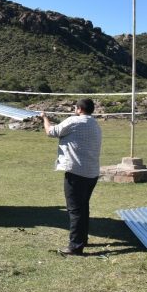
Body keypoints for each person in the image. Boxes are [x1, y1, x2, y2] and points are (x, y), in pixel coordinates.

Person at [41, 98, 102, 256]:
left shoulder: (74, 121)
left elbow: (51, 132)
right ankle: (82, 239)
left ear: (79, 109)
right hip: (92, 173)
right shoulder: (94, 124)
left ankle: (75, 246)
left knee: (75, 210)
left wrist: (45, 118)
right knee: (83, 208)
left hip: (76, 173)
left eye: (76, 108)